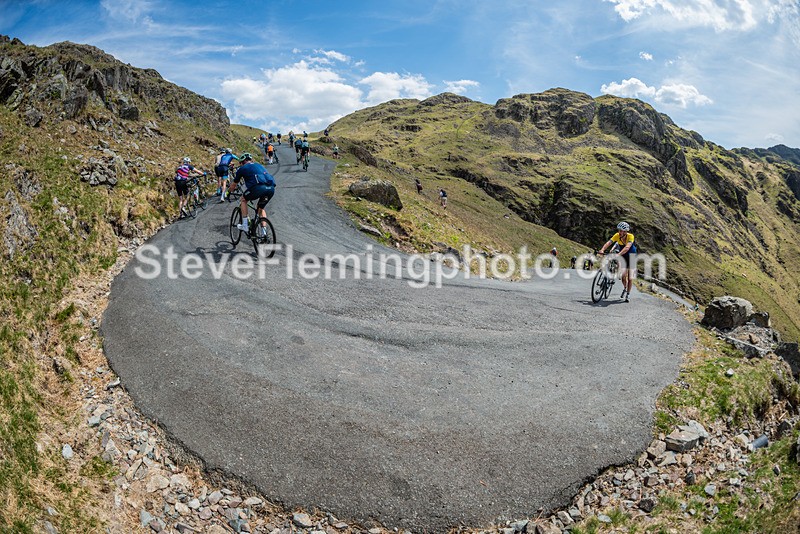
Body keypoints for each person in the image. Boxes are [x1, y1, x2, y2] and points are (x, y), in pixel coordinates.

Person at [230, 153, 276, 236]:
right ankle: (263, 233)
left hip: (258, 188)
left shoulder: (242, 168)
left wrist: (229, 191)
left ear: (242, 162)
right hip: (271, 188)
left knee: (243, 199)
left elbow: (234, 184)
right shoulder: (259, 165)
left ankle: (244, 225)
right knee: (260, 209)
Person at [598, 222, 638, 302]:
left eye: (623, 231)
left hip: (631, 255)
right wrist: (602, 249)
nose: (620, 232)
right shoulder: (617, 235)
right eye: (619, 230)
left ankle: (628, 294)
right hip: (623, 255)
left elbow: (627, 247)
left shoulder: (630, 236)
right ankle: (625, 288)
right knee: (623, 276)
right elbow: (609, 243)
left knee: (630, 277)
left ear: (626, 231)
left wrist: (618, 254)